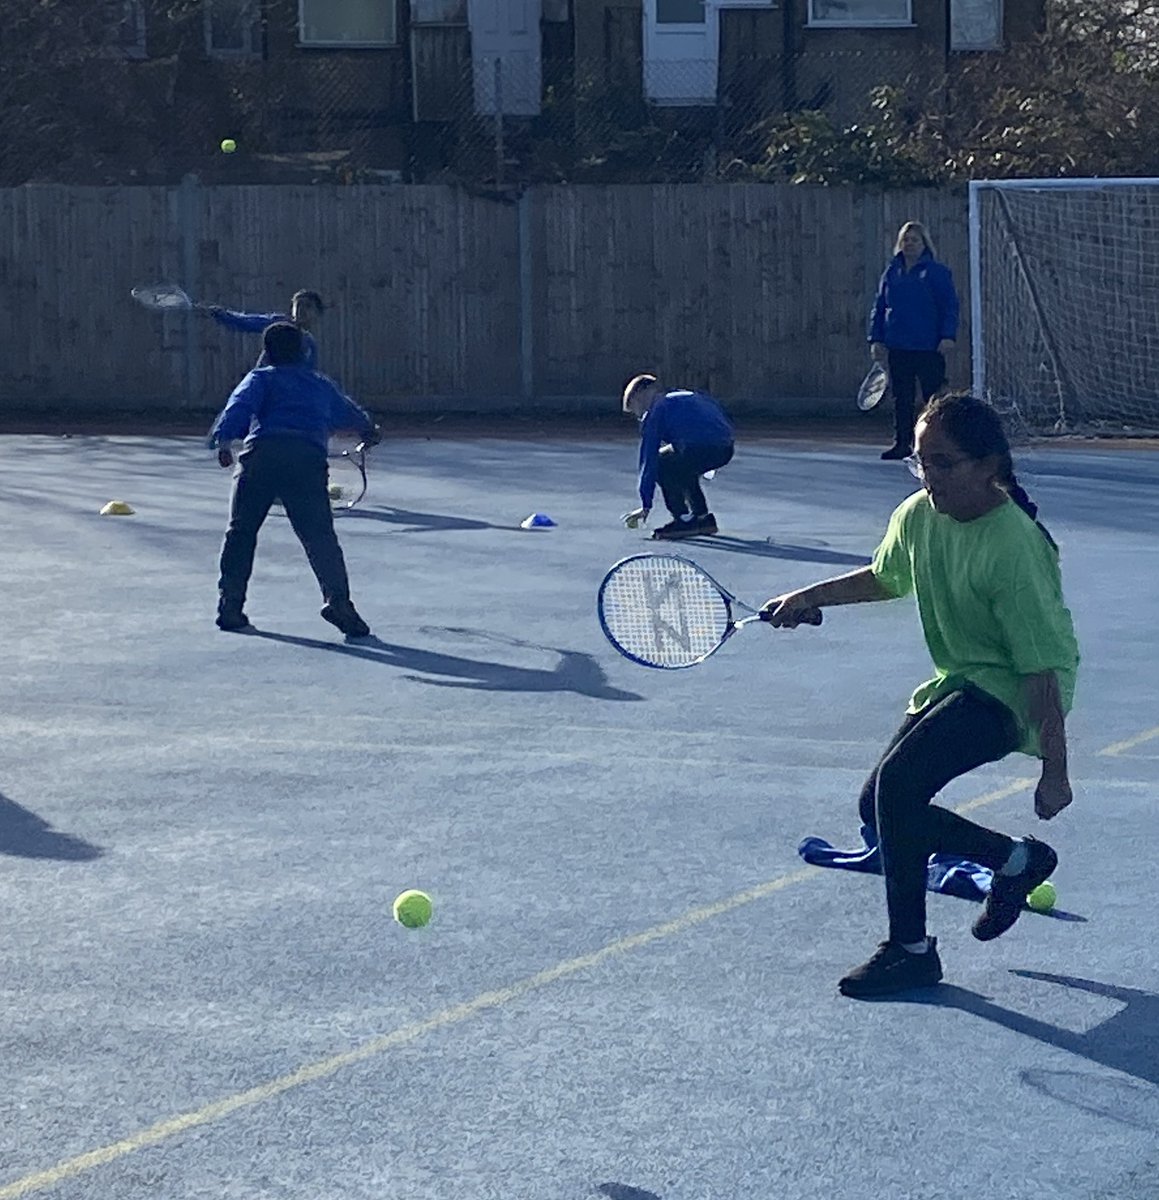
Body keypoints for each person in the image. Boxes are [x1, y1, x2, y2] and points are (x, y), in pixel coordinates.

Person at [762, 391, 1079, 998]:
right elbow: (887, 575)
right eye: (920, 461)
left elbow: (1040, 669)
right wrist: (809, 597)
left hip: (1016, 689)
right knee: (875, 807)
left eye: (944, 463)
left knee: (899, 790)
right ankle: (1015, 861)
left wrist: (1055, 771)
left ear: (989, 467)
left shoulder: (1015, 548)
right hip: (961, 676)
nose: (929, 477)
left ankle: (909, 950)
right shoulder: (917, 515)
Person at [206, 322, 379, 639]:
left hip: (262, 458)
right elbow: (350, 413)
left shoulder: (260, 378)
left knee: (241, 532)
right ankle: (338, 601)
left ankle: (230, 607)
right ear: (303, 351)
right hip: (306, 462)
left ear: (266, 352)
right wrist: (369, 429)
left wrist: (224, 441)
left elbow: (239, 406)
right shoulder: (319, 384)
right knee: (319, 537)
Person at [869, 221, 960, 461]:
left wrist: (947, 335)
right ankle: (902, 444)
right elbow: (880, 306)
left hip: (929, 346)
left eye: (914, 240)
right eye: (905, 240)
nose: (909, 244)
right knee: (902, 398)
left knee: (934, 399)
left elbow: (949, 306)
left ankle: (938, 446)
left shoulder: (937, 272)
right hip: (899, 345)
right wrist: (876, 338)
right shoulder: (891, 272)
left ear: (924, 244)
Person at [620, 374, 735, 540]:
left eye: (635, 407)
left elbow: (649, 460)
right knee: (681, 465)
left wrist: (646, 505)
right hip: (725, 448)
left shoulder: (656, 411)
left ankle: (682, 518)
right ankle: (702, 518)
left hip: (701, 448)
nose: (639, 415)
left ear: (643, 394)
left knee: (662, 463)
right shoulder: (689, 396)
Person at [200, 289, 325, 369]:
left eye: (308, 306)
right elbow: (247, 322)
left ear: (317, 314)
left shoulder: (310, 345)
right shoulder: (279, 324)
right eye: (298, 305)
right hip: (266, 383)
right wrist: (220, 314)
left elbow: (308, 375)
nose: (301, 309)